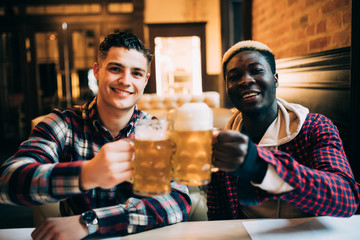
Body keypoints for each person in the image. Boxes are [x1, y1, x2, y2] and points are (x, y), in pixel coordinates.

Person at [0, 32, 191, 239]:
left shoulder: (156, 131)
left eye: (136, 73)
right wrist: (87, 173)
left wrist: (91, 221)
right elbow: (7, 182)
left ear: (145, 80)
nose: (126, 81)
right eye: (116, 69)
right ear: (97, 71)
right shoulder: (64, 124)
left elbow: (178, 201)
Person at [208, 40, 360, 220]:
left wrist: (259, 165)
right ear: (227, 88)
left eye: (256, 71)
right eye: (234, 76)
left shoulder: (314, 127)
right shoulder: (222, 143)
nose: (246, 80)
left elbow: (346, 198)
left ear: (275, 79)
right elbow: (218, 216)